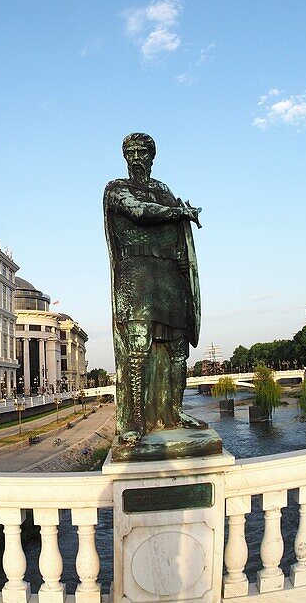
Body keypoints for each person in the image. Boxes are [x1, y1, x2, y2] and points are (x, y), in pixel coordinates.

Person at [104, 132, 205, 451]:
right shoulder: (116, 188)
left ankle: (174, 411)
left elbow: (180, 238)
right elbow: (138, 212)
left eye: (141, 151)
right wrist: (179, 212)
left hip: (169, 276)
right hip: (136, 274)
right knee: (138, 349)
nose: (135, 156)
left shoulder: (163, 189)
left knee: (177, 350)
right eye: (129, 151)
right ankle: (135, 420)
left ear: (151, 156)